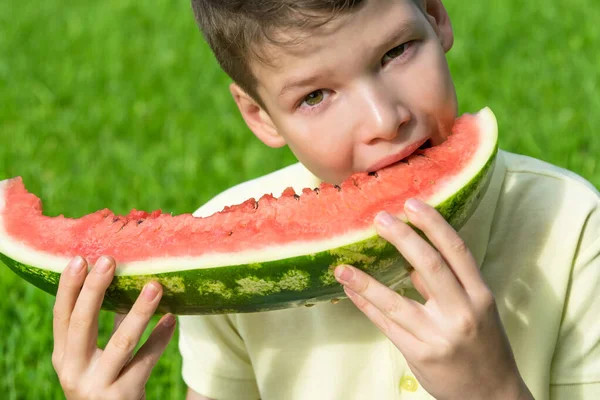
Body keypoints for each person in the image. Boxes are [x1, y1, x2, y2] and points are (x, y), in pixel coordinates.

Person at [50, 1, 600, 399]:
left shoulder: (573, 226)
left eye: (396, 51)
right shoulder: (228, 263)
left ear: (435, 15)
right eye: (316, 95)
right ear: (258, 114)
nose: (386, 120)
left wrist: (493, 390)